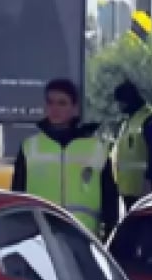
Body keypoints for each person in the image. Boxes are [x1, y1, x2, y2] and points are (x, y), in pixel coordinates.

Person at [10, 78, 119, 237]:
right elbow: (17, 195)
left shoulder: (96, 148)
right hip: (40, 235)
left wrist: (110, 233)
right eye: (50, 102)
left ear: (74, 108)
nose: (55, 109)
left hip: (83, 234)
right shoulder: (29, 147)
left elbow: (109, 196)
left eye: (62, 103)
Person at [111, 80, 152, 211]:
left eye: (121, 103)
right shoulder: (129, 122)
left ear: (129, 100)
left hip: (146, 190)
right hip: (129, 189)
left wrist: (149, 181)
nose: (119, 107)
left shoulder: (150, 120)